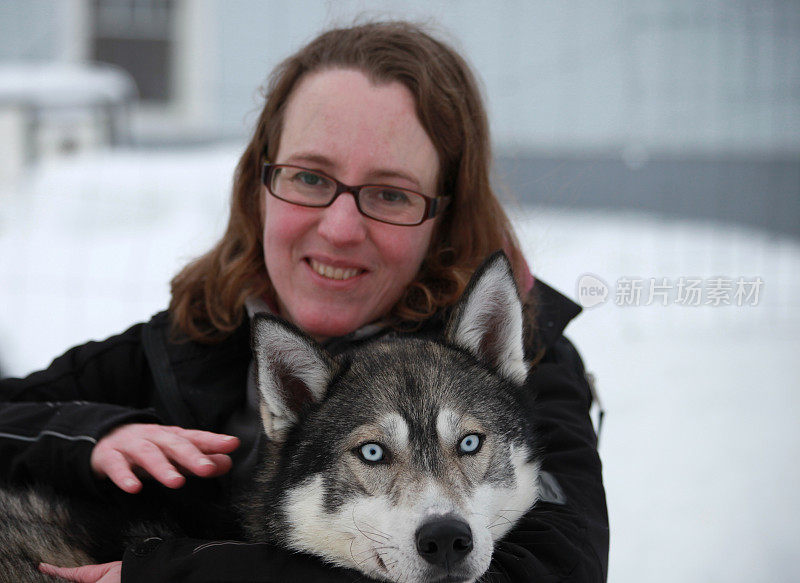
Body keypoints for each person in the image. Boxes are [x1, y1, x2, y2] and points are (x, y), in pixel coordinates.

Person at [1, 20, 608, 582]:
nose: (341, 229)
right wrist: (89, 438)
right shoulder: (190, 343)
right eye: (311, 178)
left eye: (390, 194)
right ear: (261, 186)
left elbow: (555, 570)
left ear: (443, 216)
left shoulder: (510, 357)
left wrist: (185, 573)